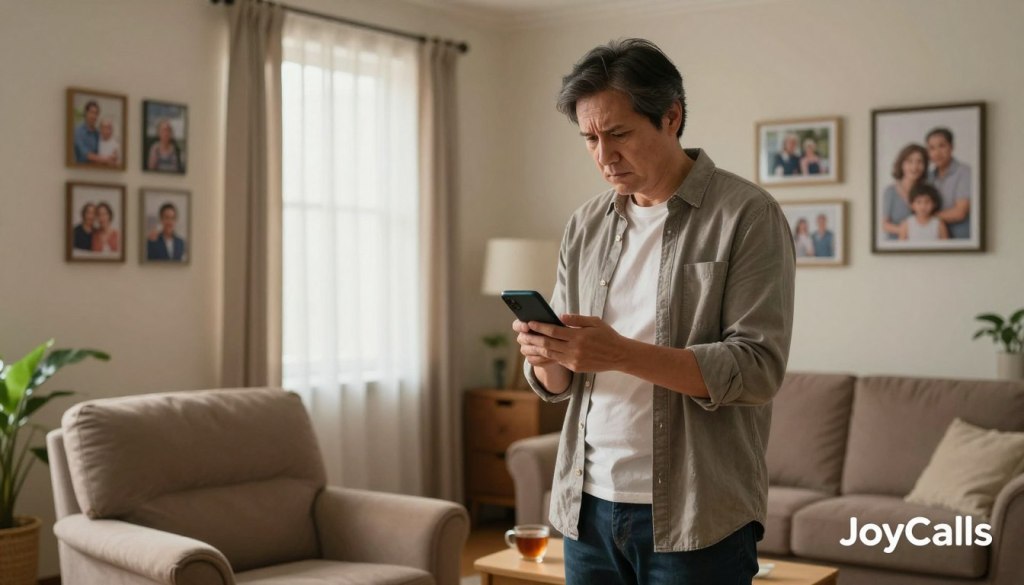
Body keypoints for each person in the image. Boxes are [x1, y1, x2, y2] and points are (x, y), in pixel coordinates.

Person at [512, 39, 795, 584]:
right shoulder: (585, 225)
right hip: (587, 506)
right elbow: (560, 382)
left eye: (618, 134)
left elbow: (757, 368)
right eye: (589, 138)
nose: (603, 155)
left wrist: (618, 353)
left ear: (671, 117)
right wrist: (545, 352)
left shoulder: (748, 215)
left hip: (695, 512)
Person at [926, 128, 971, 239]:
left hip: (960, 241)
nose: (937, 153)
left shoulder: (964, 172)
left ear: (951, 147)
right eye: (932, 148)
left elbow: (960, 212)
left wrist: (925, 217)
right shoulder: (928, 177)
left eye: (942, 146)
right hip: (934, 240)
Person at [881, 143, 928, 240]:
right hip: (895, 247)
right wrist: (906, 230)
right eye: (909, 161)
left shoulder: (928, 191)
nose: (915, 167)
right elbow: (885, 225)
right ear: (901, 164)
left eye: (920, 162)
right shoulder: (890, 191)